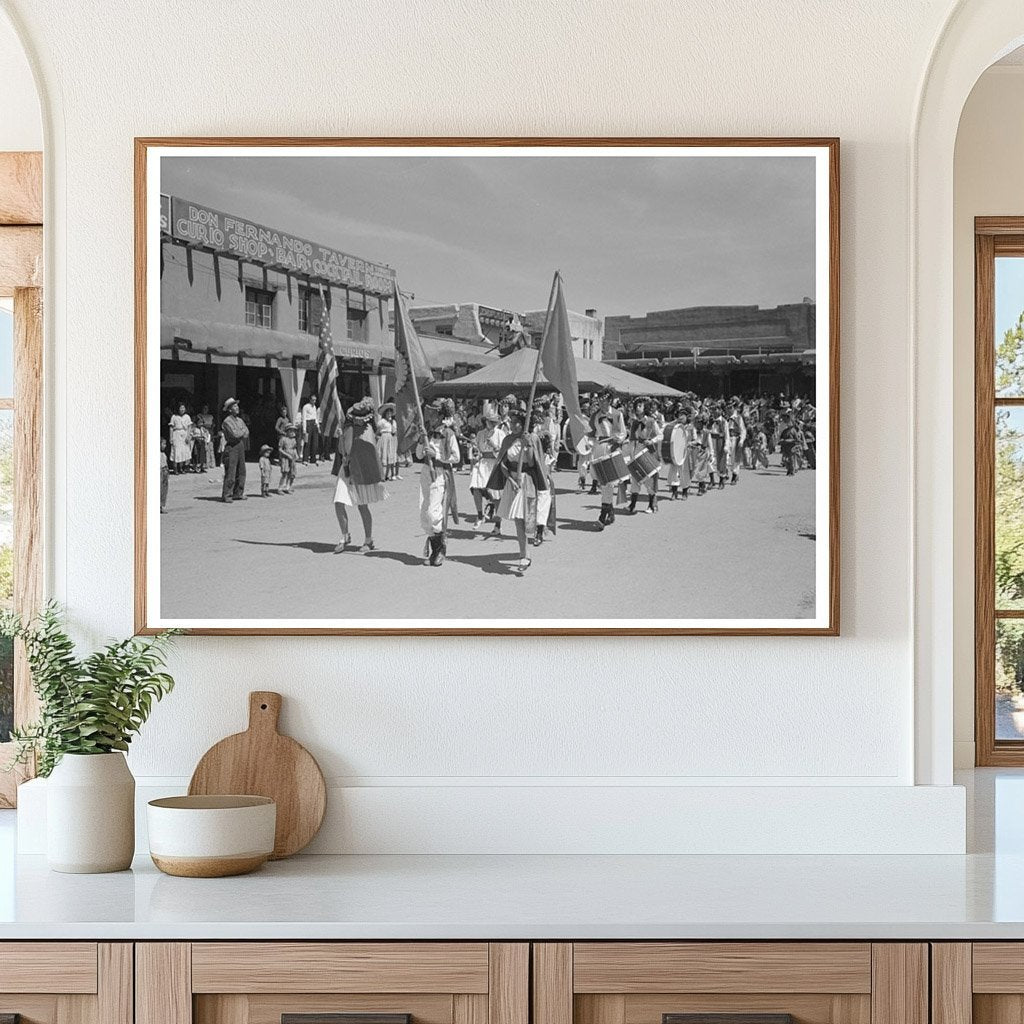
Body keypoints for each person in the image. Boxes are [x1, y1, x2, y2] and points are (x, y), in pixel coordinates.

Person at [487, 407, 549, 573]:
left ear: (524, 425)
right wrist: (510, 479)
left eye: (517, 423)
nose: (513, 426)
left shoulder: (531, 439)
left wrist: (527, 446)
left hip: (526, 480)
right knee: (517, 520)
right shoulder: (507, 440)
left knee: (523, 519)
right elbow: (503, 463)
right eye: (512, 423)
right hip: (512, 482)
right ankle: (525, 554)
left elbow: (531, 463)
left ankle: (529, 548)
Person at [332, 398, 386, 553]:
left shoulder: (369, 431)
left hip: (361, 469)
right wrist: (341, 439)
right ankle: (344, 536)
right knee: (338, 501)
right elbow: (342, 450)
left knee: (362, 505)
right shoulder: (347, 427)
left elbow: (371, 453)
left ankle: (368, 540)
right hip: (346, 468)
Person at [418, 426, 451, 566]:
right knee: (424, 512)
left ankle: (440, 549)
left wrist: (436, 455)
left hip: (439, 472)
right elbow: (419, 455)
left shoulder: (448, 433)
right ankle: (434, 552)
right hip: (426, 471)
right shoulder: (427, 432)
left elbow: (456, 457)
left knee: (433, 513)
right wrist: (420, 442)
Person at [470, 409, 504, 529]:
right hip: (482, 463)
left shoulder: (500, 434)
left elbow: (504, 452)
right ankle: (480, 515)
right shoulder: (480, 434)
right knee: (476, 488)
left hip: (494, 464)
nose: (493, 424)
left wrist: (494, 446)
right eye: (490, 422)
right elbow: (477, 449)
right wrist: (476, 455)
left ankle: (497, 525)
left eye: (494, 422)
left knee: (494, 494)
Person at [220, 397, 249, 502]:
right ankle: (227, 494)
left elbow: (246, 432)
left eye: (237, 405)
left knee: (241, 470)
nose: (237, 408)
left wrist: (241, 431)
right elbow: (235, 434)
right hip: (232, 447)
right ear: (229, 409)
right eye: (234, 406)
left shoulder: (240, 420)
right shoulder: (227, 421)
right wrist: (241, 431)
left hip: (240, 446)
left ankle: (238, 493)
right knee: (231, 471)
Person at [376, 403, 399, 481]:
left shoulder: (392, 422)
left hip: (390, 438)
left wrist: (392, 424)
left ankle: (387, 475)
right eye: (388, 413)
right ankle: (381, 474)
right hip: (384, 438)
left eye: (390, 413)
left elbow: (394, 431)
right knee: (383, 455)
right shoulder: (382, 421)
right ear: (385, 413)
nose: (389, 414)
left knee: (389, 456)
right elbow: (378, 431)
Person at [168, 402, 192, 475]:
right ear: (178, 408)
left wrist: (188, 436)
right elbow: (171, 428)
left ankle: (181, 468)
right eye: (181, 408)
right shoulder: (174, 417)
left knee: (183, 451)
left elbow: (189, 427)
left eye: (183, 408)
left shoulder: (187, 417)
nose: (182, 409)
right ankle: (175, 468)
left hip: (184, 434)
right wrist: (171, 437)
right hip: (176, 434)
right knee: (176, 451)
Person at [278, 428, 299, 493]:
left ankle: (288, 487)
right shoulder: (283, 439)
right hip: (285, 458)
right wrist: (287, 455)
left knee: (292, 473)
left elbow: (294, 448)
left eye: (293, 431)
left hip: (292, 457)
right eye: (290, 431)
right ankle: (280, 488)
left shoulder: (293, 440)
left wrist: (296, 455)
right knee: (285, 473)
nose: (292, 433)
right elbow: (280, 449)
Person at [301, 395, 320, 464]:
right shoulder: (305, 407)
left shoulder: (314, 407)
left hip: (314, 424)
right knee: (307, 442)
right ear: (310, 400)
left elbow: (316, 417)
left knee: (315, 443)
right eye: (313, 400)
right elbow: (304, 418)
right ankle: (305, 459)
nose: (314, 401)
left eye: (315, 400)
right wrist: (304, 429)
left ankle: (313, 459)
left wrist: (317, 426)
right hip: (308, 424)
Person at [159, 438, 169, 513]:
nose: (165, 446)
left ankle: (162, 505)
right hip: (160, 472)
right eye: (163, 444)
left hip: (165, 471)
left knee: (164, 490)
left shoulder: (163, 454)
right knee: (159, 489)